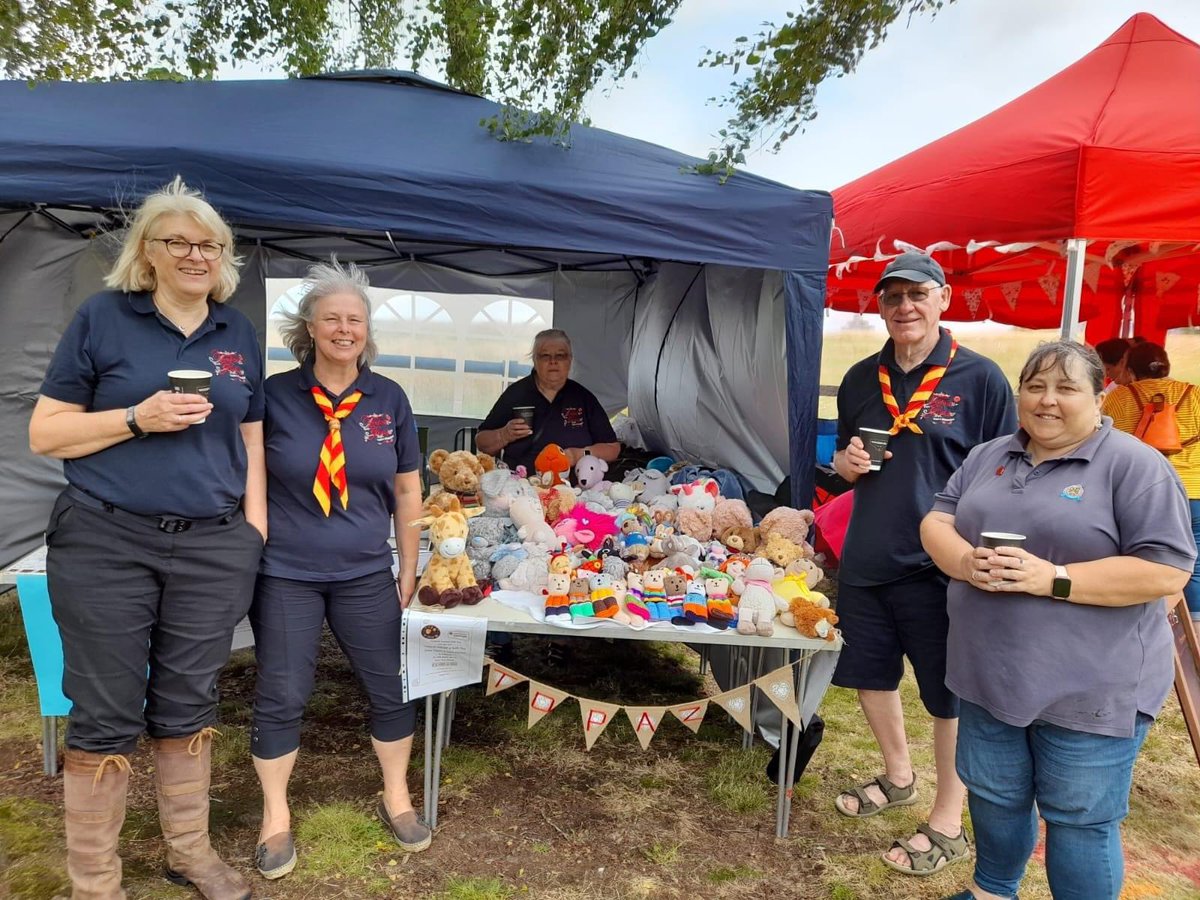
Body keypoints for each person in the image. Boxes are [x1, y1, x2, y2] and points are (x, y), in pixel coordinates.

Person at [29, 177, 265, 900]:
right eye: (178, 242)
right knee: (105, 710)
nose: (196, 256)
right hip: (107, 539)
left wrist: (253, 531)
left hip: (212, 545)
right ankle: (95, 881)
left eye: (209, 245)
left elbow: (251, 436)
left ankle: (189, 852)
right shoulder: (104, 318)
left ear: (223, 257)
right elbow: (46, 434)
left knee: (190, 699)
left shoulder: (236, 332)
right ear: (148, 252)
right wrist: (137, 418)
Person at [921, 341, 1194, 900]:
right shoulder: (989, 455)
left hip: (1089, 688)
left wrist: (1054, 579)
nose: (1047, 400)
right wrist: (966, 563)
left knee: (1078, 818)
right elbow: (938, 520)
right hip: (988, 673)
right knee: (994, 794)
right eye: (1035, 386)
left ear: (1099, 398)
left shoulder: (1135, 466)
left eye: (1066, 388)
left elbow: (1166, 571)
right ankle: (993, 891)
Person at [830, 251, 1016, 875]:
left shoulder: (981, 378)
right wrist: (845, 465)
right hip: (867, 556)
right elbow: (843, 460)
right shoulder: (861, 377)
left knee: (948, 697)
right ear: (880, 307)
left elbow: (1007, 471)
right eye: (892, 296)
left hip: (942, 566)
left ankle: (948, 818)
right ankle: (898, 775)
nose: (904, 306)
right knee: (870, 676)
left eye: (917, 294)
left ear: (943, 299)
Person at [250, 260, 430, 881]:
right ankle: (275, 816)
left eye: (354, 319)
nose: (344, 329)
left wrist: (408, 568)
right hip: (286, 573)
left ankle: (396, 796)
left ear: (367, 330)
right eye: (331, 318)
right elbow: (249, 480)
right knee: (282, 692)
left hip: (365, 571)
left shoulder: (390, 398)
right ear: (310, 327)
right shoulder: (273, 396)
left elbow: (408, 491)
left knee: (391, 685)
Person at [1102, 341, 1200, 622]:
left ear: (1130, 371)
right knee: (1196, 565)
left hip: (1146, 492)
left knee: (1147, 563)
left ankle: (1153, 625)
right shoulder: (1195, 394)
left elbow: (1103, 440)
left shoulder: (1120, 397)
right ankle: (1194, 636)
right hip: (1196, 490)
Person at [475, 329, 620, 474]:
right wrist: (503, 435)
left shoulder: (583, 397)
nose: (553, 362)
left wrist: (579, 454)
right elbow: (481, 441)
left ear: (570, 360)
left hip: (574, 485)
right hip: (521, 484)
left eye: (560, 356)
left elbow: (613, 448)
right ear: (534, 360)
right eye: (545, 356)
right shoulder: (516, 394)